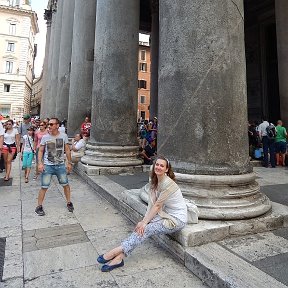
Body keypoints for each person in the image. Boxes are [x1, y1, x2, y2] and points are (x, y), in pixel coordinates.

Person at [97, 156, 187, 272]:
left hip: (176, 219)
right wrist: (143, 221)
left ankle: (115, 251)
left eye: (162, 165)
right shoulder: (155, 181)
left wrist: (145, 222)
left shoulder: (169, 184)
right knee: (140, 228)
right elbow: (151, 204)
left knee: (146, 229)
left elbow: (157, 206)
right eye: (157, 164)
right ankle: (119, 258)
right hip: (165, 214)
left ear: (166, 169)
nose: (158, 167)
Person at [35, 117, 74, 216]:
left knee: (65, 184)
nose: (49, 126)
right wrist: (40, 163)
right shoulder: (45, 137)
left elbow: (68, 150)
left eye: (52, 124)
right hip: (48, 166)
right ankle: (39, 206)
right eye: (49, 124)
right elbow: (40, 151)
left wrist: (69, 163)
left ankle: (69, 202)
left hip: (60, 165)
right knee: (44, 186)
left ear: (57, 126)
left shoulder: (64, 136)